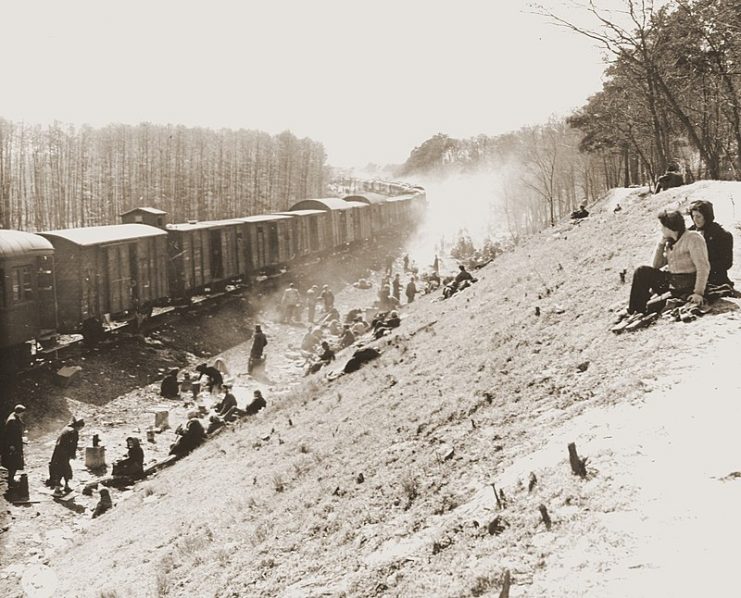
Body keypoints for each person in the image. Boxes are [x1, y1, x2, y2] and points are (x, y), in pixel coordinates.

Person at [627, 209, 709, 314]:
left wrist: (698, 293)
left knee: (651, 307)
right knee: (642, 271)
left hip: (687, 286)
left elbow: (703, 267)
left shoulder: (693, 238)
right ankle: (634, 311)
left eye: (662, 227)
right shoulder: (670, 241)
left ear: (669, 227)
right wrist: (660, 245)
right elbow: (656, 265)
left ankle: (643, 310)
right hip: (672, 282)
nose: (661, 229)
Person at [688, 200, 734, 287]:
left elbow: (726, 263)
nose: (695, 220)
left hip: (714, 279)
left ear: (707, 217)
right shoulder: (689, 233)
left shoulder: (721, 235)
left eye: (698, 216)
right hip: (691, 278)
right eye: (693, 216)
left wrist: (702, 267)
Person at [48, 417, 85, 492]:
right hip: (64, 454)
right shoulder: (74, 432)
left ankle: (63, 487)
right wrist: (73, 454)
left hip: (58, 452)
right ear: (79, 426)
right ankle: (59, 488)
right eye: (81, 428)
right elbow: (73, 445)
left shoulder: (66, 428)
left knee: (60, 469)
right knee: (64, 469)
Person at [2, 405, 26, 485]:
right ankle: (11, 480)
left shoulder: (14, 416)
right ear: (19, 412)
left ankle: (11, 477)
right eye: (22, 413)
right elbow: (9, 435)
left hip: (15, 443)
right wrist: (11, 445)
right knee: (13, 463)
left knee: (13, 462)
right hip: (13, 445)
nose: (23, 414)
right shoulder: (12, 420)